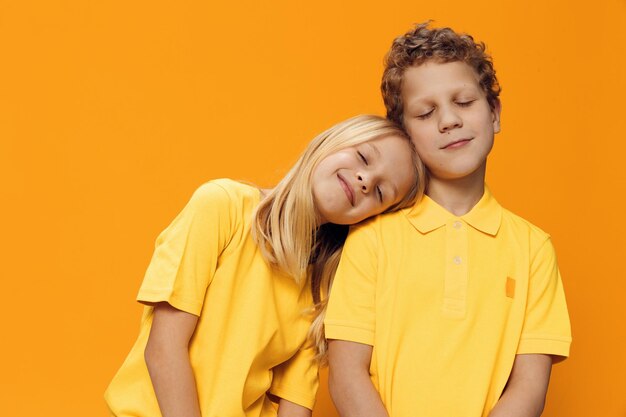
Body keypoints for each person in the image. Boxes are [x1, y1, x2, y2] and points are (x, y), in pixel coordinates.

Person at [324, 23, 572, 417]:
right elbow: (346, 372)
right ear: (405, 135)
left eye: (463, 102)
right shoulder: (371, 238)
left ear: (494, 114)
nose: (449, 121)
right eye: (426, 112)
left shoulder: (533, 249)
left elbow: (529, 386)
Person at [104, 114, 425, 417]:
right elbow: (163, 349)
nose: (365, 180)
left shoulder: (322, 294)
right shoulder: (222, 205)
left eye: (381, 191)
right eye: (364, 157)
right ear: (330, 141)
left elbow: (294, 406)